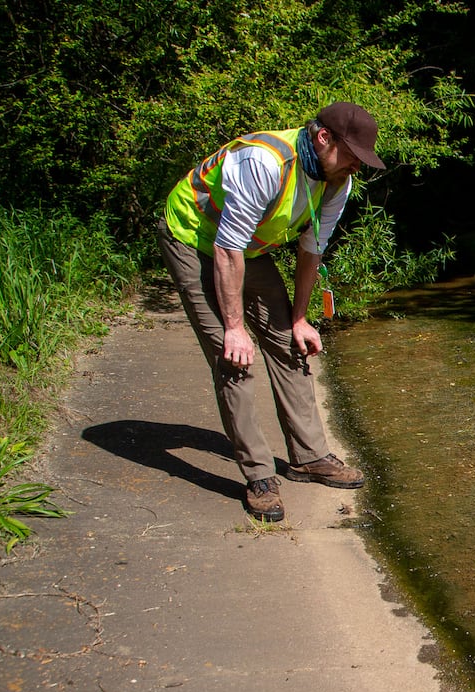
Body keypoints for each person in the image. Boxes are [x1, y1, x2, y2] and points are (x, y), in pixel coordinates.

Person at [157, 102, 385, 522]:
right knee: (233, 356)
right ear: (323, 139)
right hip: (194, 237)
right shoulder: (265, 162)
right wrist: (234, 327)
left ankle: (309, 457)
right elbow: (226, 248)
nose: (356, 166)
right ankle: (260, 477)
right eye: (352, 155)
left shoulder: (338, 181)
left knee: (289, 342)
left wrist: (299, 318)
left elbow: (311, 251)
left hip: (245, 247)